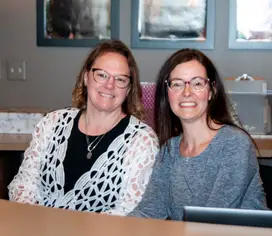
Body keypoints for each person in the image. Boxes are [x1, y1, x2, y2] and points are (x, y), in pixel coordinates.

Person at [8, 39, 159, 215]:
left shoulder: (142, 142)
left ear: (128, 89)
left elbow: (129, 210)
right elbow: (24, 184)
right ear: (86, 77)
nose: (109, 85)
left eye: (120, 79)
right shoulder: (52, 123)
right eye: (101, 75)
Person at [128, 48, 267, 220]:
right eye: (177, 84)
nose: (187, 92)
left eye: (197, 83)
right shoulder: (169, 151)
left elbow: (212, 221)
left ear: (211, 91)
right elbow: (149, 211)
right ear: (167, 93)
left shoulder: (235, 143)